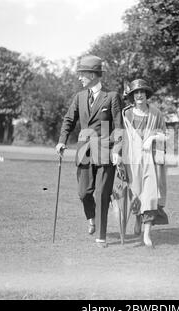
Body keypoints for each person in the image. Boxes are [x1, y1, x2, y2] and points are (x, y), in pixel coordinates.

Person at [55, 55, 123, 248]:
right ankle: (91, 216)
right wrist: (62, 141)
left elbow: (119, 126)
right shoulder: (79, 97)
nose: (80, 78)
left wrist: (117, 149)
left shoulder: (112, 97)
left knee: (101, 194)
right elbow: (69, 120)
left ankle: (101, 237)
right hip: (84, 151)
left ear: (93, 74)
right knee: (84, 193)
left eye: (82, 74)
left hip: (105, 152)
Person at [121, 79, 169, 248]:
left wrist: (153, 138)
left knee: (149, 196)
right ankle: (137, 218)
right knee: (135, 194)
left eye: (142, 92)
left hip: (151, 160)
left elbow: (165, 135)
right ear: (132, 96)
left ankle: (147, 234)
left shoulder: (156, 113)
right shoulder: (125, 114)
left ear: (146, 95)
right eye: (136, 92)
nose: (139, 95)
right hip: (132, 161)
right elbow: (120, 136)